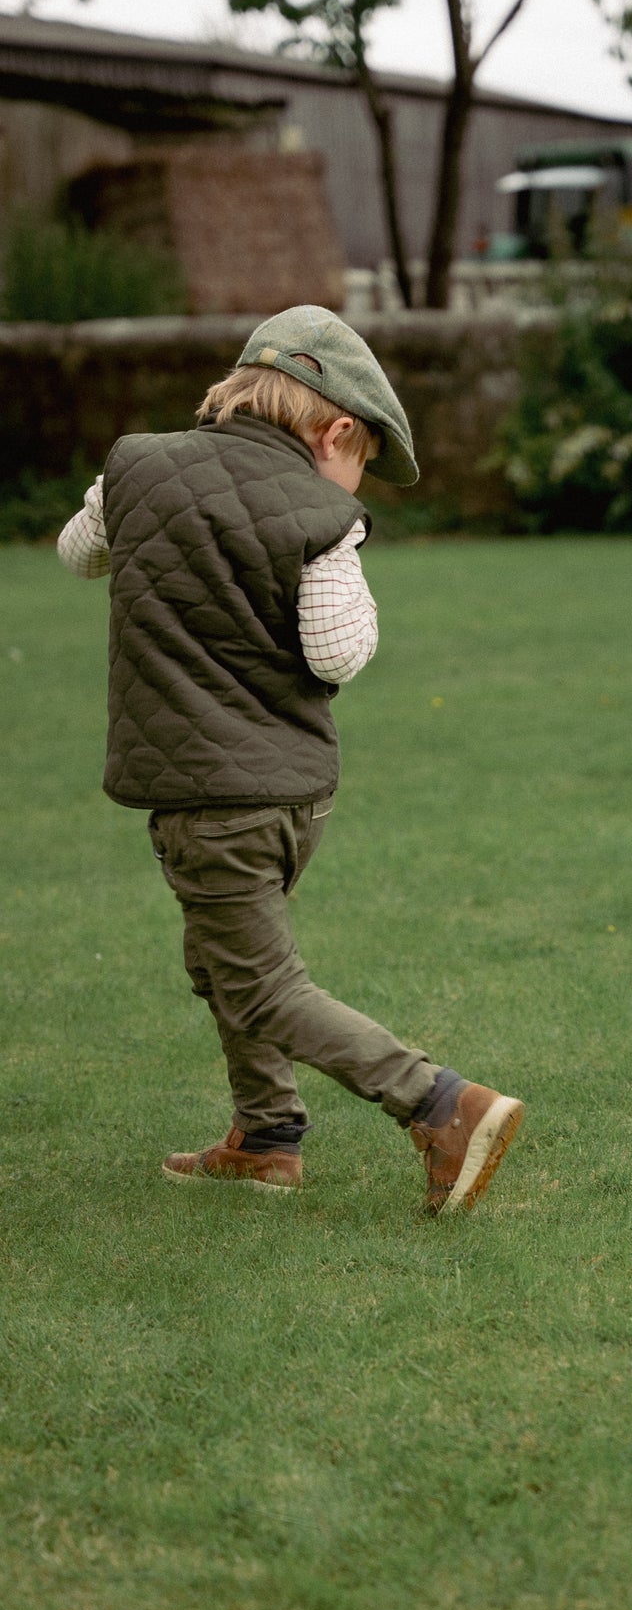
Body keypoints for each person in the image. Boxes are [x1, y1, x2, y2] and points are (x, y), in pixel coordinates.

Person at [58, 304, 523, 1210]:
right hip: (291, 795)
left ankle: (443, 1103)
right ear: (337, 428)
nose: (357, 482)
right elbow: (339, 653)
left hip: (209, 800)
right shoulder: (321, 512)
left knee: (261, 985)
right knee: (221, 961)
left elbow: (81, 554)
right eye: (363, 463)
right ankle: (267, 1139)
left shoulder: (139, 466)